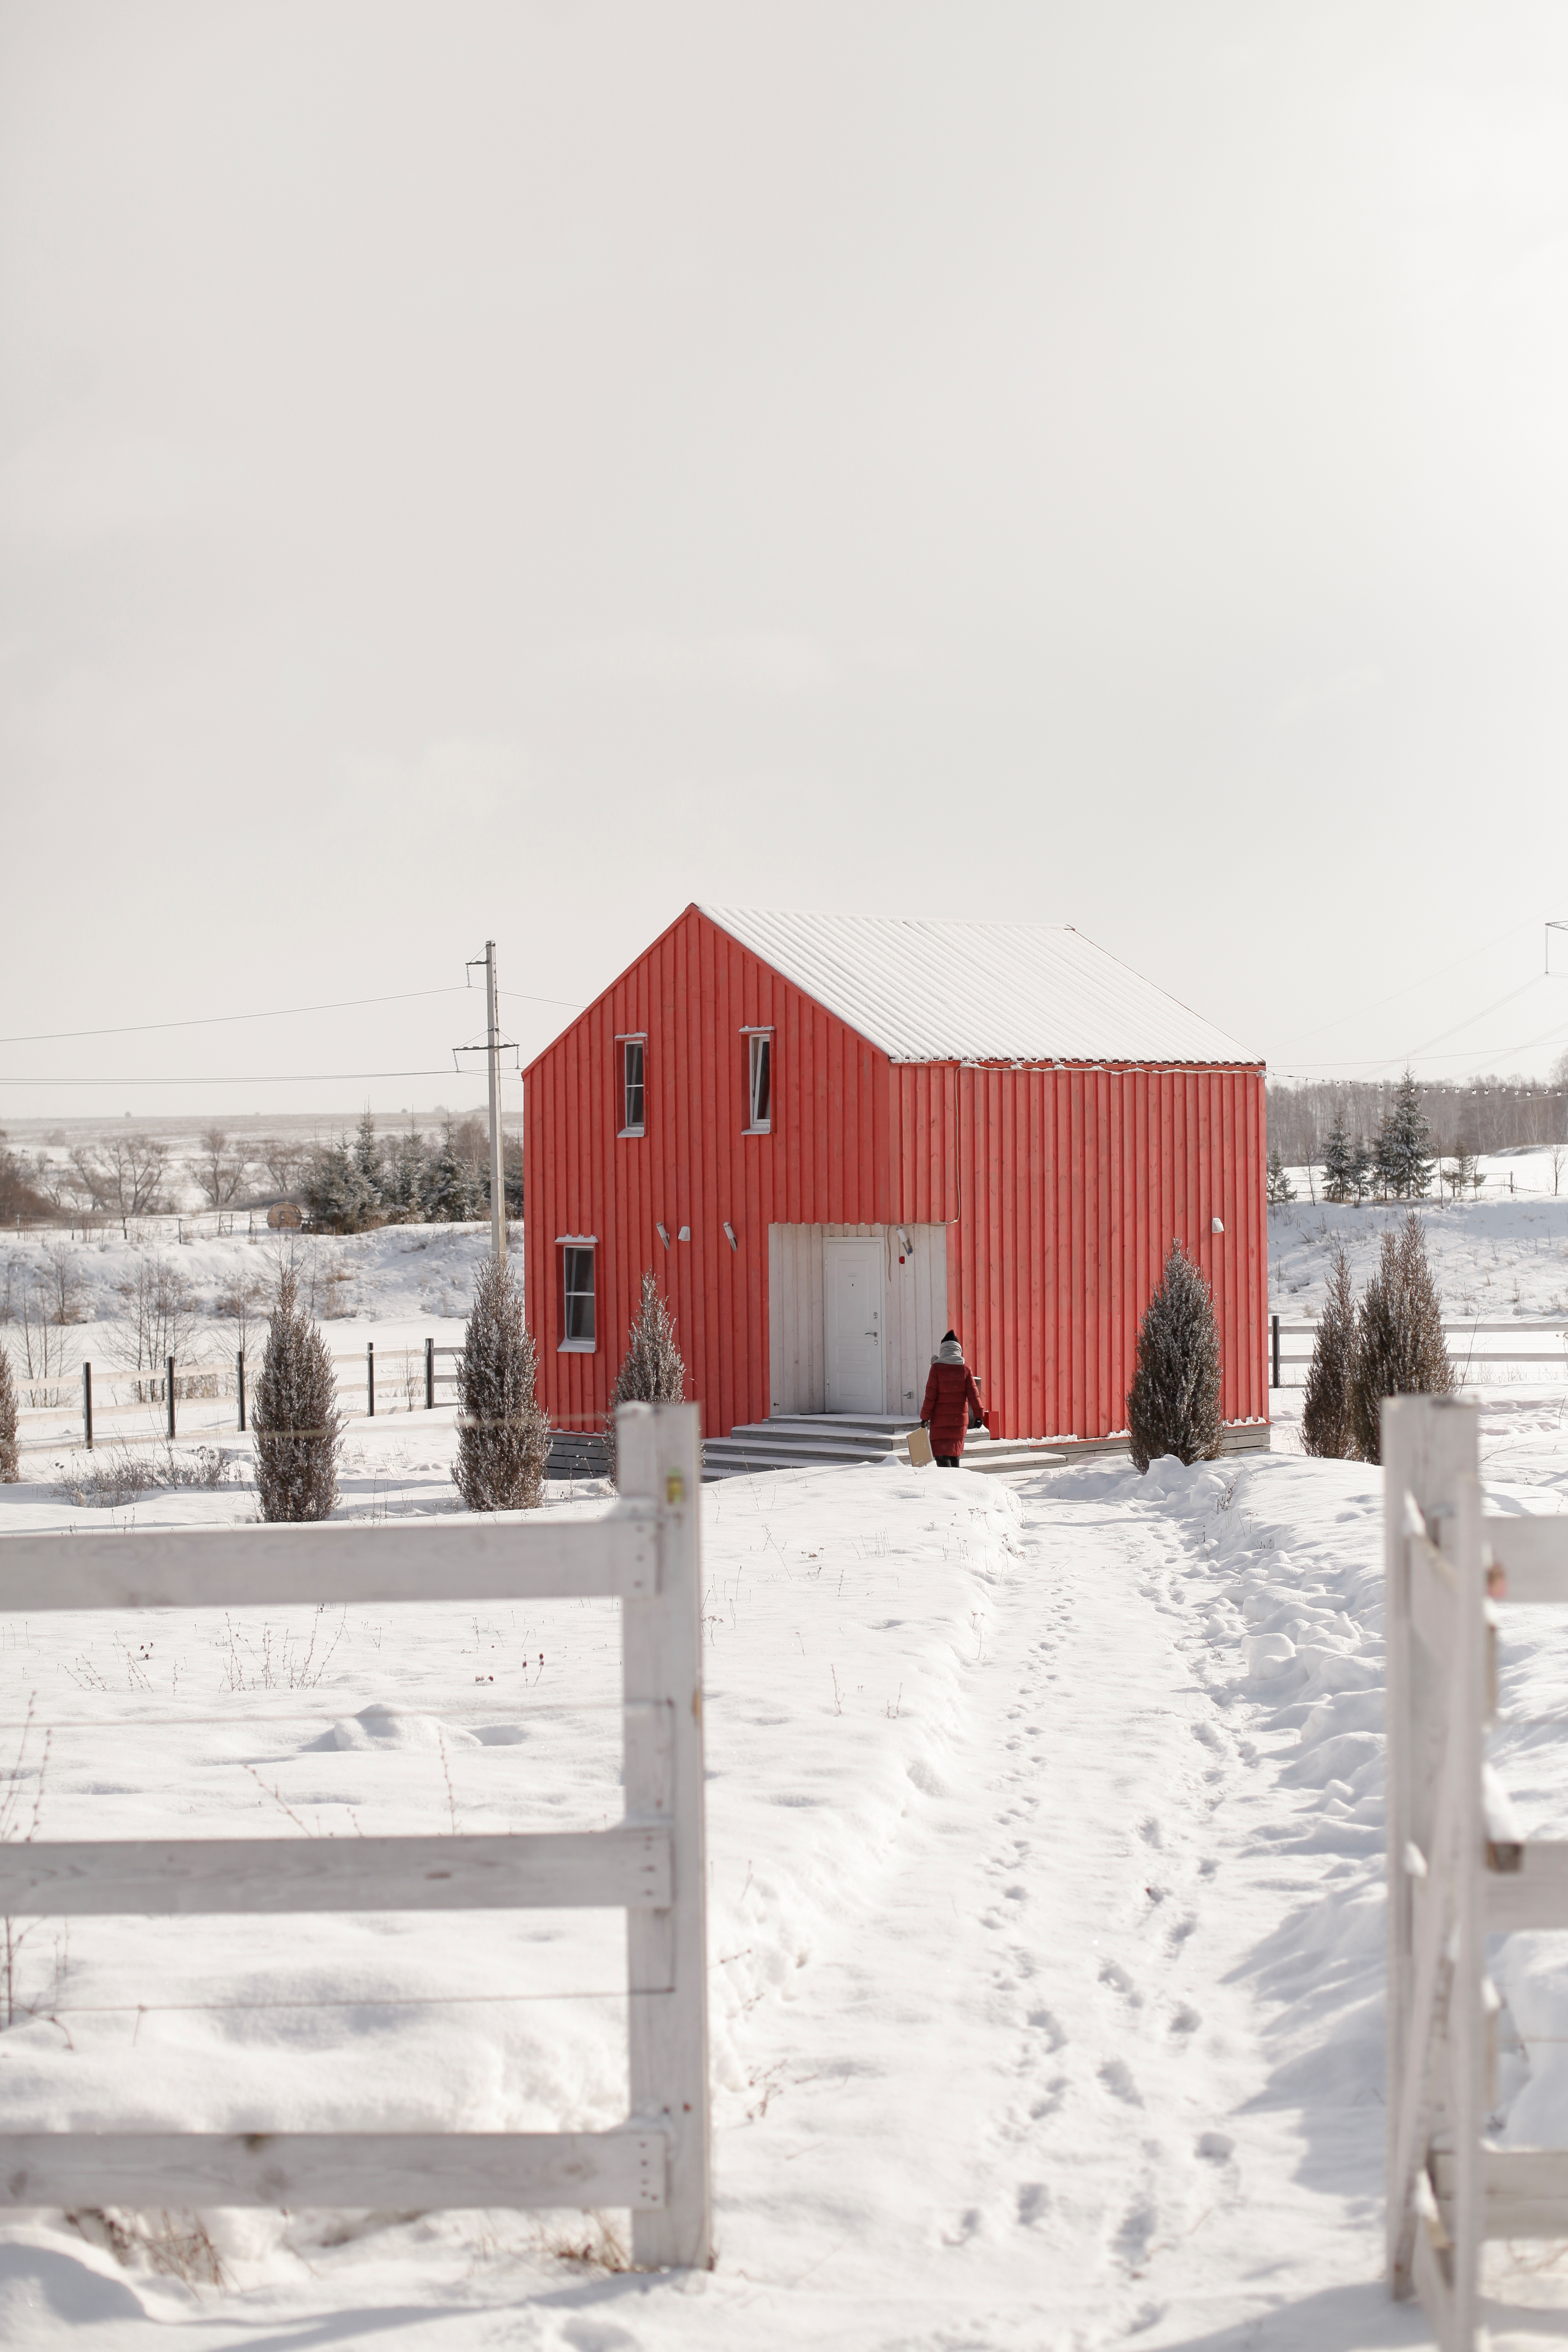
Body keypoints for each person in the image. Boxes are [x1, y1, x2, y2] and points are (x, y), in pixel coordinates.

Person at [920, 1329, 985, 1468]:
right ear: (958, 1350)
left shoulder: (936, 1368)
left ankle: (948, 1487)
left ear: (943, 1349)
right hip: (958, 1423)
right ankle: (956, 1485)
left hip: (940, 1422)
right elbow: (974, 1395)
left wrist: (925, 1418)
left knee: (942, 1458)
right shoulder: (965, 1369)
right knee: (955, 1457)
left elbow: (930, 1396)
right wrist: (979, 1415)